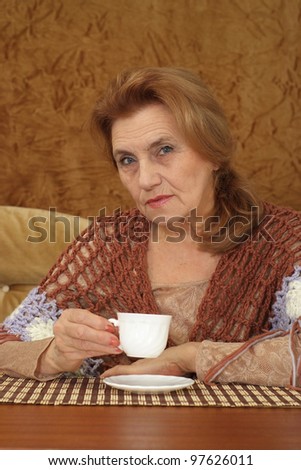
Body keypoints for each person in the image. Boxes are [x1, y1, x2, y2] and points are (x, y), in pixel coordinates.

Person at [0, 67, 300, 388]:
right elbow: (7, 344)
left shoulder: (285, 243)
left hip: (239, 436)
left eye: (165, 150)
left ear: (213, 153)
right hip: (115, 434)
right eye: (128, 160)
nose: (145, 180)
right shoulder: (106, 245)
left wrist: (187, 357)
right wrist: (54, 355)